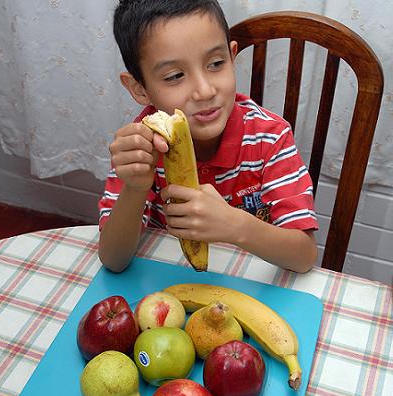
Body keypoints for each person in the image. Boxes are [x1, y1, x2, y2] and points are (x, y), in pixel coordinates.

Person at [99, 0, 319, 274]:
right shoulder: (141, 145)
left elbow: (304, 256)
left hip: (251, 285)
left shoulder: (270, 137)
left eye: (216, 63)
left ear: (232, 56)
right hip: (165, 283)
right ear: (140, 88)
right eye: (175, 75)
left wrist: (236, 225)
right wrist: (135, 186)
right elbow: (113, 259)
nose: (204, 91)